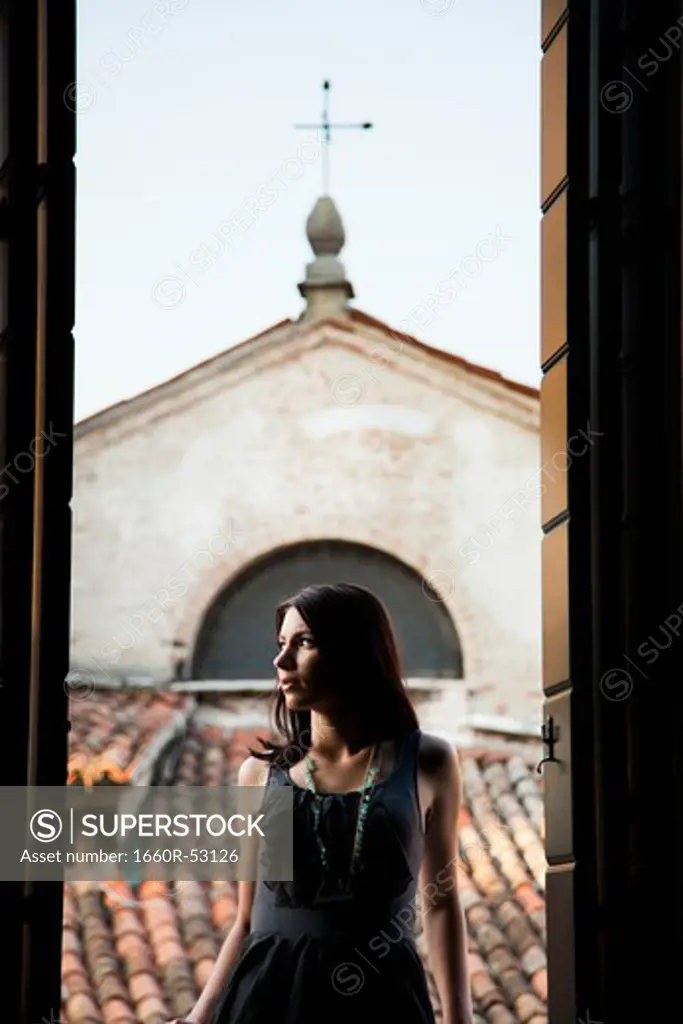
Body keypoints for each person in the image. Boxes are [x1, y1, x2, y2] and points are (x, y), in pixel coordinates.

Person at [169, 582, 473, 1024]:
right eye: (281, 644)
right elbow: (247, 922)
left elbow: (441, 902)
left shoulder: (430, 761)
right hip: (268, 1001)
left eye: (304, 643)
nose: (281, 661)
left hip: (385, 1000)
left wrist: (459, 1020)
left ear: (355, 652)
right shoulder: (258, 777)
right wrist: (199, 1017)